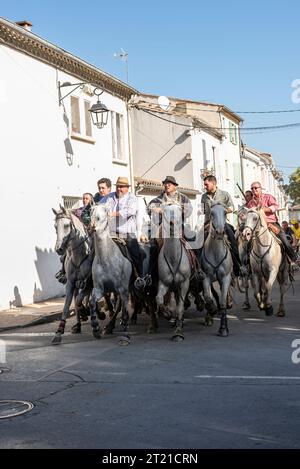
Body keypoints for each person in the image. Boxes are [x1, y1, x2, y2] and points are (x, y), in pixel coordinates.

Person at [100, 176, 144, 282]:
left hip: (126, 233)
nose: (119, 189)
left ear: (127, 188)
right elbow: (100, 206)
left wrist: (113, 213)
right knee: (94, 250)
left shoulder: (132, 198)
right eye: (118, 186)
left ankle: (139, 277)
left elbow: (130, 211)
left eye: (122, 187)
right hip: (110, 233)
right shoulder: (109, 197)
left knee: (136, 254)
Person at [246, 181, 297, 263]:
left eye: (256, 188)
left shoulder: (268, 197)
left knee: (284, 238)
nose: (254, 189)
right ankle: (247, 264)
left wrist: (263, 209)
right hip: (256, 225)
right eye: (252, 188)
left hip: (271, 223)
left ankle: (294, 258)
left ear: (260, 188)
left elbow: (275, 206)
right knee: (247, 242)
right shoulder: (251, 203)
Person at [201, 175, 241, 277]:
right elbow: (202, 211)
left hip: (221, 223)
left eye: (206, 184)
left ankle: (238, 267)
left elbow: (232, 207)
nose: (205, 186)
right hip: (208, 224)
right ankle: (199, 269)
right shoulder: (204, 197)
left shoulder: (224, 194)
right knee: (198, 242)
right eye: (204, 184)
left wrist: (224, 210)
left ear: (213, 183)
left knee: (232, 239)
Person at [55, 193, 94, 284]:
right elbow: (69, 215)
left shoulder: (93, 209)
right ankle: (63, 272)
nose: (84, 200)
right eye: (83, 198)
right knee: (67, 252)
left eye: (87, 198)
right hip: (79, 236)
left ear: (91, 200)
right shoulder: (78, 210)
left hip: (91, 235)